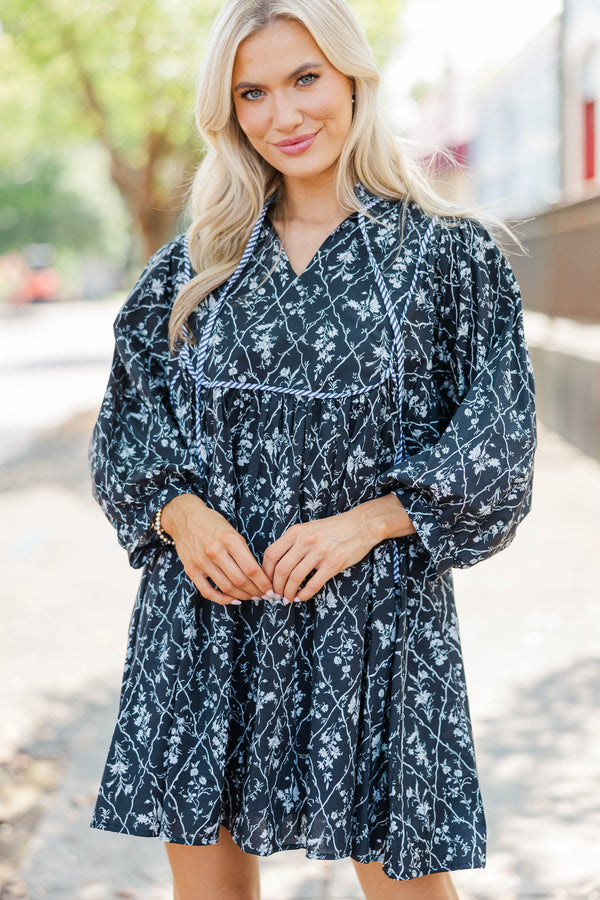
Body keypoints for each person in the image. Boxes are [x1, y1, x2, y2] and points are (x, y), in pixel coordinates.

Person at [88, 1, 537, 898]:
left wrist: (369, 521)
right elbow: (128, 424)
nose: (283, 116)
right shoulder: (194, 264)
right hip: (208, 614)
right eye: (252, 92)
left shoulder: (450, 260)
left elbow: (500, 442)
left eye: (305, 80)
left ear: (353, 79)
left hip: (374, 618)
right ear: (229, 113)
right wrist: (180, 515)